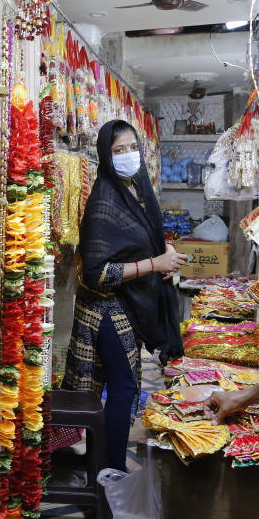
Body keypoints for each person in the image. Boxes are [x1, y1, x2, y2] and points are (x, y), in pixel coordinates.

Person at [61, 119, 187, 471]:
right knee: (122, 389)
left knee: (124, 387)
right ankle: (109, 472)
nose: (129, 155)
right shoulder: (105, 200)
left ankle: (104, 466)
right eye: (119, 150)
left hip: (126, 305)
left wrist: (163, 253)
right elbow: (99, 271)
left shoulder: (134, 190)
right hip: (107, 309)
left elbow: (138, 243)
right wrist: (154, 263)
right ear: (106, 155)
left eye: (133, 147)